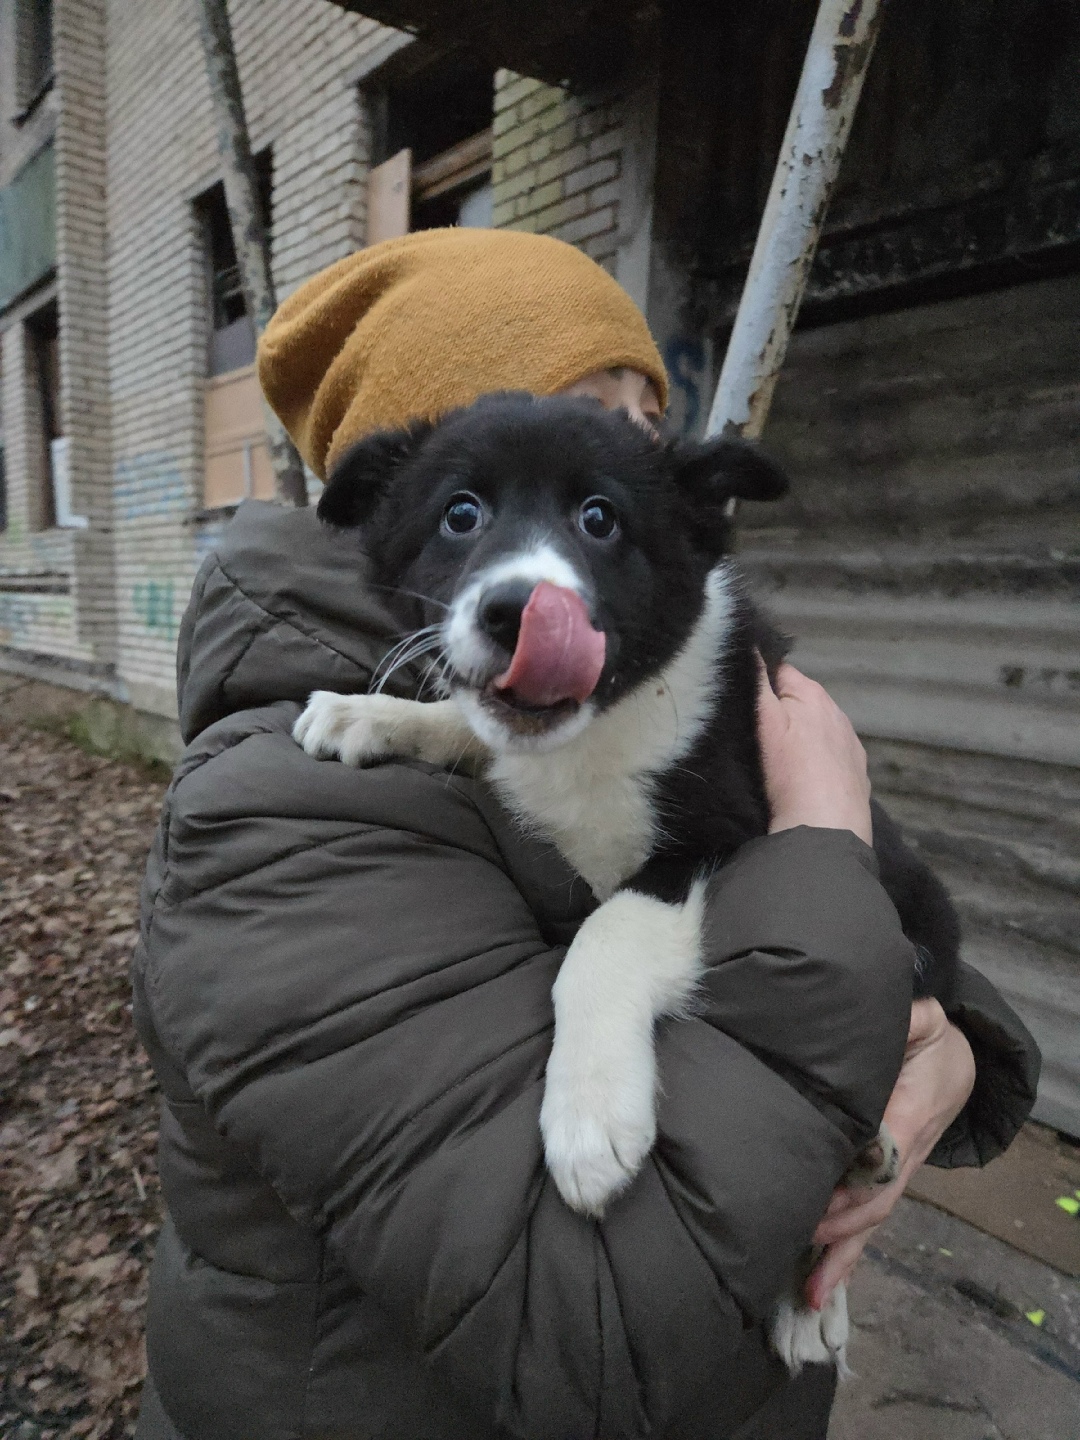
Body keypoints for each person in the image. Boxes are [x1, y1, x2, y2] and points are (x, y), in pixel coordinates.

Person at [133, 229, 1039, 1440]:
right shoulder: (269, 823)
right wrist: (819, 851)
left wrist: (952, 1038)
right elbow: (593, 1328)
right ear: (382, 517)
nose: (541, 559)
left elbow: (814, 889)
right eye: (470, 502)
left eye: (628, 447)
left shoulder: (658, 692)